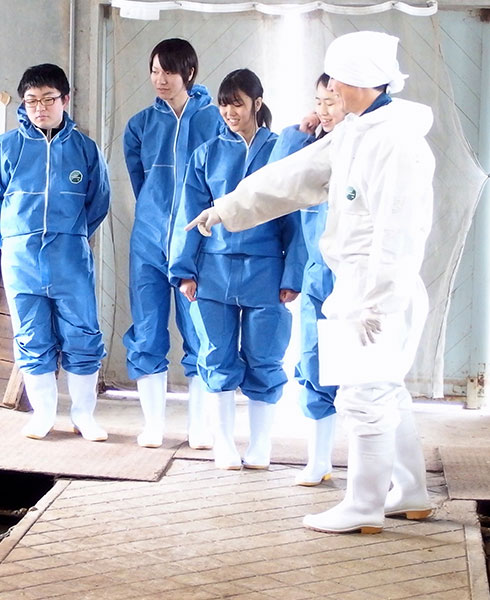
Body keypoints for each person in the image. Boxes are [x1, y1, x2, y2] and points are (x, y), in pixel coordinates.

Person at [186, 31, 433, 533]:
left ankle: (364, 504)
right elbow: (293, 176)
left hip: (377, 292)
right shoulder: (358, 131)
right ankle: (411, 490)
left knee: (364, 396)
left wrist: (376, 300)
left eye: (335, 82)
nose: (330, 92)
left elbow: (402, 231)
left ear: (357, 79)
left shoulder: (394, 140)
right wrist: (227, 208)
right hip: (360, 286)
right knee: (387, 391)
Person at [168, 68, 305, 470]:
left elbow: (295, 217)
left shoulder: (282, 152)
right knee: (216, 356)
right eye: (224, 104)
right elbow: (188, 215)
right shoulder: (206, 154)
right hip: (214, 270)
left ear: (257, 104)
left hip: (266, 270)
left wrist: (292, 274)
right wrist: (184, 270)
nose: (229, 111)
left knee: (265, 358)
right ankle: (224, 443)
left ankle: (261, 444)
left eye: (238, 103)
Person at [0, 63, 110, 442]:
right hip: (21, 259)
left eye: (48, 99)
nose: (40, 107)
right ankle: (43, 415)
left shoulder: (85, 149)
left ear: (65, 100)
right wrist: (14, 241)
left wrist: (72, 235)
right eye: (32, 100)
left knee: (82, 333)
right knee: (31, 335)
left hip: (70, 258)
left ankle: (84, 414)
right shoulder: (5, 148)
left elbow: (98, 202)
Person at [122, 38, 225, 449]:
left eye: (168, 71)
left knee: (199, 333)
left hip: (196, 240)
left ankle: (198, 427)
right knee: (147, 331)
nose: (159, 79)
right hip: (148, 240)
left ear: (189, 73)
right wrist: (155, 213)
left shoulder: (215, 120)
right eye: (154, 70)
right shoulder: (140, 125)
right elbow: (139, 181)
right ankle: (154, 426)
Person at [269, 74, 347, 486]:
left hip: (356, 280)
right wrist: (297, 135)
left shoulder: (365, 146)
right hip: (319, 277)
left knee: (365, 376)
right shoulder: (313, 146)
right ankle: (319, 460)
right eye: (318, 101)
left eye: (331, 101)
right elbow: (277, 179)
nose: (323, 109)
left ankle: (388, 472)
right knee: (313, 364)